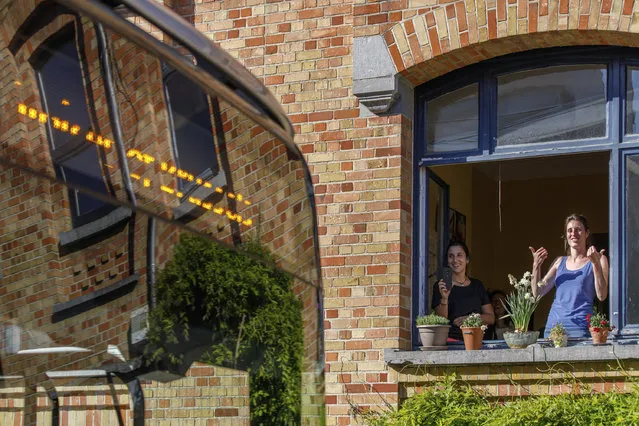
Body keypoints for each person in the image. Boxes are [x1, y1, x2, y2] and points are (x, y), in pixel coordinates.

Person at [529, 214, 609, 338]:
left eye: (578, 229)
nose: (573, 233)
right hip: (554, 329)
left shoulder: (599, 259)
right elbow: (537, 293)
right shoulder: (559, 262)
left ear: (586, 233)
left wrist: (596, 264)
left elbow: (602, 295)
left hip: (581, 328)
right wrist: (536, 266)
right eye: (569, 230)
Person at [432, 241, 495, 340]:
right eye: (451, 256)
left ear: (467, 259)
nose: (455, 260)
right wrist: (444, 298)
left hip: (476, 341)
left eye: (459, 255)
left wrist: (469, 319)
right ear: (447, 261)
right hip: (451, 342)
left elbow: (491, 318)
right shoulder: (441, 286)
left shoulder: (477, 285)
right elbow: (441, 321)